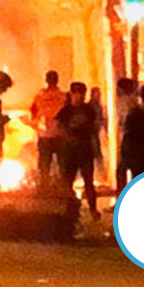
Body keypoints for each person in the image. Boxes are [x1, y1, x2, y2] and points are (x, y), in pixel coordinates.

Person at [55, 82, 100, 220]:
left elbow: (93, 129)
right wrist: (68, 137)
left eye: (82, 93)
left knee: (89, 182)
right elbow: (59, 126)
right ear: (72, 94)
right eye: (77, 93)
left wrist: (96, 149)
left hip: (85, 150)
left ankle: (93, 210)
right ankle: (68, 209)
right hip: (69, 152)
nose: (79, 96)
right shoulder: (66, 111)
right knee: (68, 181)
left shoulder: (89, 110)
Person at [30, 71, 67, 192]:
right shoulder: (63, 96)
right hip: (60, 135)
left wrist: (36, 126)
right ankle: (64, 189)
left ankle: (44, 190)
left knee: (44, 166)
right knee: (63, 166)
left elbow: (33, 114)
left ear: (46, 80)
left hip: (44, 135)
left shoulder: (40, 97)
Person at [115, 78, 138, 192]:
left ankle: (121, 196)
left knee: (121, 170)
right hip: (133, 138)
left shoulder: (124, 101)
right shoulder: (135, 101)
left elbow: (125, 120)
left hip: (128, 138)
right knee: (134, 169)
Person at [89, 87, 106, 179]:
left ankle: (100, 174)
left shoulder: (98, 106)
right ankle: (99, 174)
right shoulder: (92, 106)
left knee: (97, 153)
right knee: (95, 153)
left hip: (95, 132)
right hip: (91, 133)